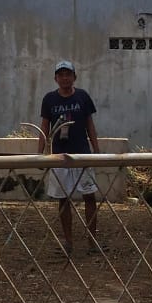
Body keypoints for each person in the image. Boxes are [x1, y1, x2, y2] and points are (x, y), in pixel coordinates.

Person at [38, 60, 102, 256]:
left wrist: (96, 149)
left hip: (82, 154)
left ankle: (92, 242)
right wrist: (39, 153)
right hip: (59, 156)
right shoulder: (49, 99)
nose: (65, 78)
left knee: (89, 196)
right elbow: (44, 127)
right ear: (56, 78)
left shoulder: (82, 97)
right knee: (63, 199)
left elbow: (89, 124)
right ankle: (68, 242)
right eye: (61, 75)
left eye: (68, 74)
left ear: (74, 77)